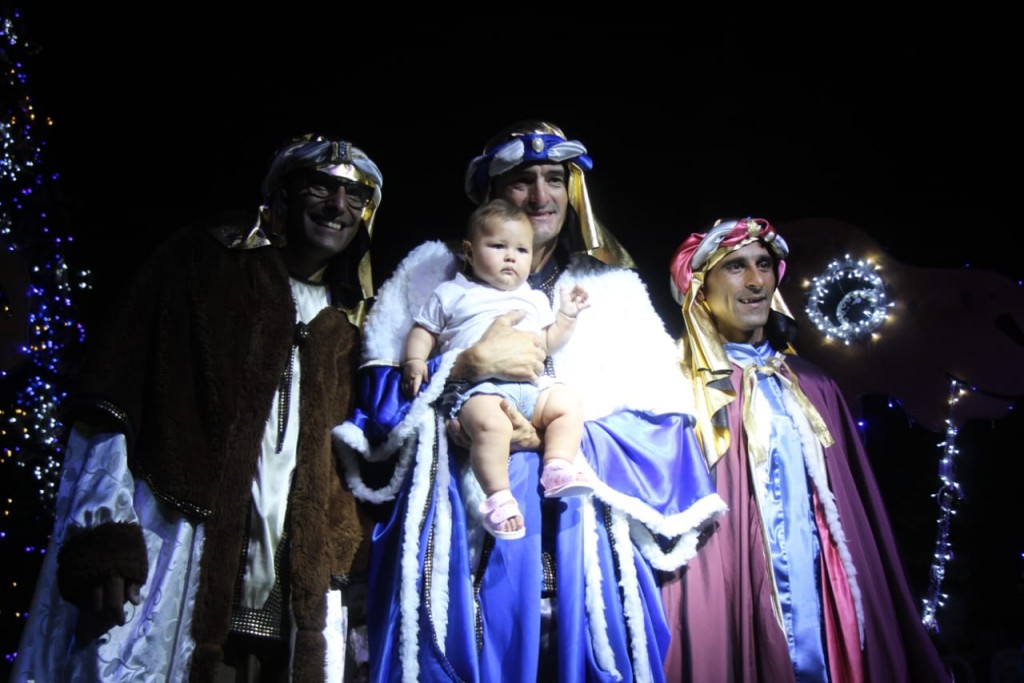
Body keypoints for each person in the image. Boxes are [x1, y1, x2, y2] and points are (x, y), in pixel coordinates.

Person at [333, 120, 726, 682]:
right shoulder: (430, 276)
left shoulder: (610, 290)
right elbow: (381, 408)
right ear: (491, 194)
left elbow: (661, 425)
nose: (541, 197)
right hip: (460, 528)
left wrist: (550, 436)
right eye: (522, 181)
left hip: (576, 538)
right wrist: (464, 371)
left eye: (553, 180)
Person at [11, 134, 385, 683]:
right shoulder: (203, 266)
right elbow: (113, 399)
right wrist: (103, 534)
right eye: (320, 188)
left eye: (355, 197)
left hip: (295, 585)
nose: (338, 208)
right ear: (282, 194)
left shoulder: (359, 319)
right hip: (180, 553)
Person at [661, 217, 952, 681]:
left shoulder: (814, 383)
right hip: (727, 581)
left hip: (821, 583)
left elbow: (855, 512)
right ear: (700, 286)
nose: (756, 280)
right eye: (735, 267)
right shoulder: (673, 383)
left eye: (764, 265)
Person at [402, 198, 594, 540]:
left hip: (531, 387)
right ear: (469, 251)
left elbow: (547, 342)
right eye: (498, 246)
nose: (510, 256)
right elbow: (423, 331)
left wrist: (566, 316)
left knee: (568, 403)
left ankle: (558, 466)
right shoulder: (452, 292)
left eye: (521, 250)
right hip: (481, 390)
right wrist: (415, 361)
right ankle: (498, 497)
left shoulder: (533, 297)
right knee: (491, 426)